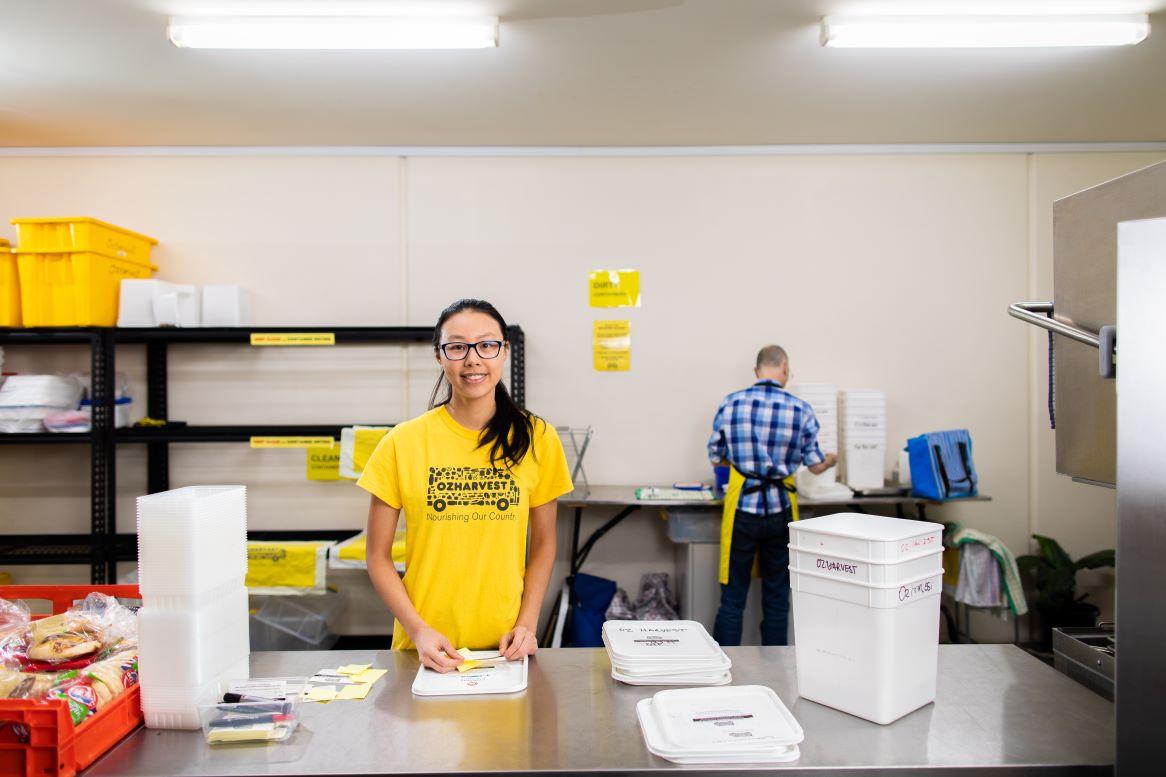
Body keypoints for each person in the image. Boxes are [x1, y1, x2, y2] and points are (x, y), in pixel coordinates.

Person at [360, 299, 573, 672]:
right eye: (457, 347)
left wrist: (526, 623)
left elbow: (543, 545)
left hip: (505, 647)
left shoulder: (538, 437)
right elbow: (377, 557)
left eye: (487, 345)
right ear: (440, 357)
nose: (473, 359)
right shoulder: (402, 443)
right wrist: (419, 630)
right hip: (424, 648)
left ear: (504, 351)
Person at [707, 344, 837, 646]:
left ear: (757, 371)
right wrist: (832, 459)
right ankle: (775, 674)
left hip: (742, 509)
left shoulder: (732, 403)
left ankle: (722, 670)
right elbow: (816, 466)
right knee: (778, 596)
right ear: (785, 369)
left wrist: (746, 463)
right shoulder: (801, 409)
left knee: (732, 597)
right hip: (781, 513)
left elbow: (716, 456)